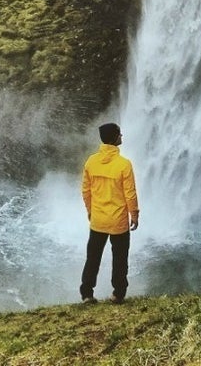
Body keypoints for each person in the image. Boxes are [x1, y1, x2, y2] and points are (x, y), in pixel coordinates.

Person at [80, 122, 139, 305]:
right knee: (120, 259)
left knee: (93, 258)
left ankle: (87, 294)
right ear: (114, 138)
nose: (122, 136)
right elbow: (130, 193)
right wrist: (134, 215)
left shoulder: (91, 161)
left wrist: (90, 211)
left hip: (98, 219)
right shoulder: (124, 165)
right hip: (118, 220)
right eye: (120, 134)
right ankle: (118, 294)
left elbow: (86, 191)